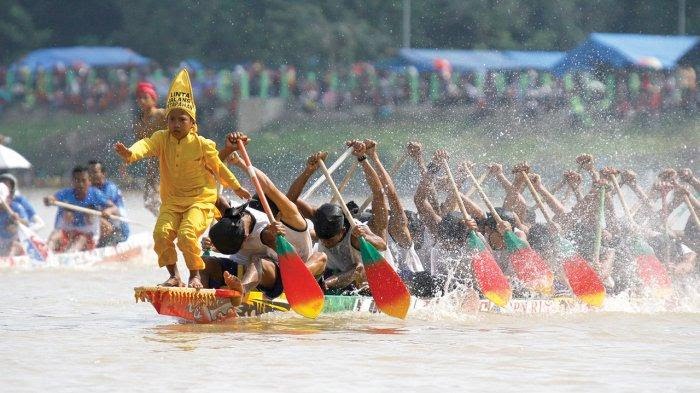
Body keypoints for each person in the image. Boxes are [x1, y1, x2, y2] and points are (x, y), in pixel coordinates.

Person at [114, 69, 250, 289]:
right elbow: (145, 145)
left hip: (200, 200)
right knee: (160, 234)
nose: (176, 124)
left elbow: (219, 168)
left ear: (191, 122)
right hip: (172, 201)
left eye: (181, 119)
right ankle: (174, 275)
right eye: (172, 120)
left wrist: (236, 187)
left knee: (187, 235)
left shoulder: (202, 144)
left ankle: (195, 275)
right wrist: (130, 153)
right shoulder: (161, 138)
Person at [203, 132, 327, 297]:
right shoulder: (233, 217)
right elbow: (208, 183)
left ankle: (242, 290)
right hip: (241, 271)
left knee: (320, 257)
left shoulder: (292, 220)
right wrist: (226, 151)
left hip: (287, 276)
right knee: (202, 263)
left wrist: (240, 163)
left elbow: (268, 187)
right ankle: (197, 294)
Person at [287, 142, 388, 293]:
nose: (326, 244)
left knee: (357, 268)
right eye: (324, 240)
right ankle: (299, 282)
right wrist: (308, 171)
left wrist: (362, 158)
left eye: (329, 241)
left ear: (342, 231)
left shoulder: (355, 232)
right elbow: (289, 201)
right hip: (333, 273)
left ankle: (323, 286)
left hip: (364, 280)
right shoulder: (319, 218)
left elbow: (382, 245)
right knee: (314, 250)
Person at [44, 166, 118, 253]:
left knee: (80, 239)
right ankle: (46, 251)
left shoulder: (96, 194)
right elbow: (51, 198)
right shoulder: (66, 193)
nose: (80, 184)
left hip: (86, 234)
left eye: (83, 180)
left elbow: (114, 207)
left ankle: (72, 254)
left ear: (89, 181)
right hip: (68, 231)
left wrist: (108, 211)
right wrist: (48, 200)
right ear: (72, 182)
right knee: (55, 235)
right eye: (77, 180)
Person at [133, 81, 166, 216]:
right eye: (139, 97)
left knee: (163, 197)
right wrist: (126, 161)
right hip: (153, 164)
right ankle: (164, 224)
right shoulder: (139, 123)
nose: (142, 100)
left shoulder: (162, 114)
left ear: (154, 98)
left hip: (168, 159)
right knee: (148, 201)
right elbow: (139, 146)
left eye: (145, 97)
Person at [87, 160, 129, 246]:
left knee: (95, 218)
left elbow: (113, 210)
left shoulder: (110, 188)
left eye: (95, 172)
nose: (91, 175)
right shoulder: (89, 190)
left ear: (103, 174)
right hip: (101, 227)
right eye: (89, 172)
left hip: (119, 229)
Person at [0, 182, 29, 256]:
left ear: (8, 197)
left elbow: (26, 224)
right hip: (2, 243)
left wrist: (18, 219)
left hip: (16, 243)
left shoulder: (17, 208)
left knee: (13, 246)